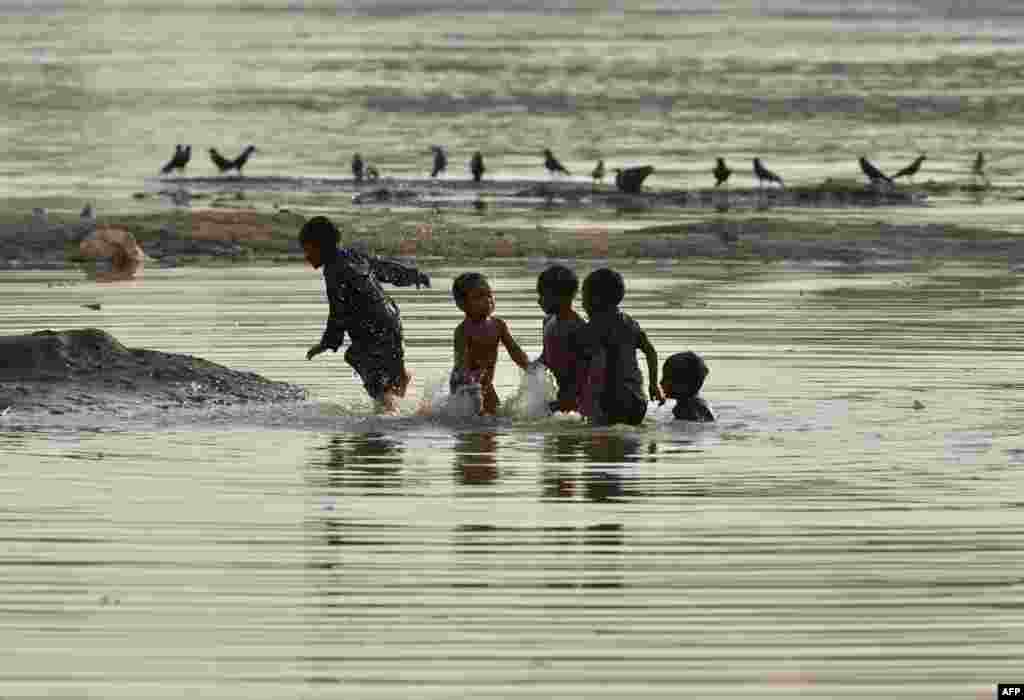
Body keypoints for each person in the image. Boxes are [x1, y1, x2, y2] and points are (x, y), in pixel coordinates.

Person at [300, 216, 430, 413]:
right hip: (391, 319)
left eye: (308, 250)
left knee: (358, 359)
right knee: (390, 372)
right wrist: (412, 275)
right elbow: (384, 268)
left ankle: (388, 416)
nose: (307, 257)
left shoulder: (334, 271)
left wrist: (327, 342)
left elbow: (338, 311)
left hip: (371, 329)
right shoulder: (353, 255)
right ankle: (400, 380)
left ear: (320, 247)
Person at [576, 268, 663, 426]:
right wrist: (653, 385)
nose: (582, 304)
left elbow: (586, 367)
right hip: (638, 402)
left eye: (584, 298)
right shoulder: (631, 324)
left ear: (595, 299)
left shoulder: (592, 328)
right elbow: (650, 352)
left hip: (610, 402)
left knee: (598, 446)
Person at [451, 272, 530, 415]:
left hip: (486, 384)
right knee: (475, 422)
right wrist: (469, 378)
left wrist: (529, 367)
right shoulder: (463, 331)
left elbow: (514, 350)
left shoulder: (498, 325)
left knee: (494, 416)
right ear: (462, 304)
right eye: (479, 296)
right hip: (466, 385)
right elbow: (460, 362)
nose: (487, 300)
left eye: (489, 294)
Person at [532, 264, 586, 413]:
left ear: (561, 297)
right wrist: (532, 369)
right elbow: (546, 356)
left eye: (543, 295)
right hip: (563, 393)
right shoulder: (548, 322)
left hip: (579, 397)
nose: (539, 301)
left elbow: (585, 367)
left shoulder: (578, 328)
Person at [661, 351, 715, 422]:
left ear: (681, 384)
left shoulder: (684, 409)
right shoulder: (701, 404)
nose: (661, 382)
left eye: (666, 378)